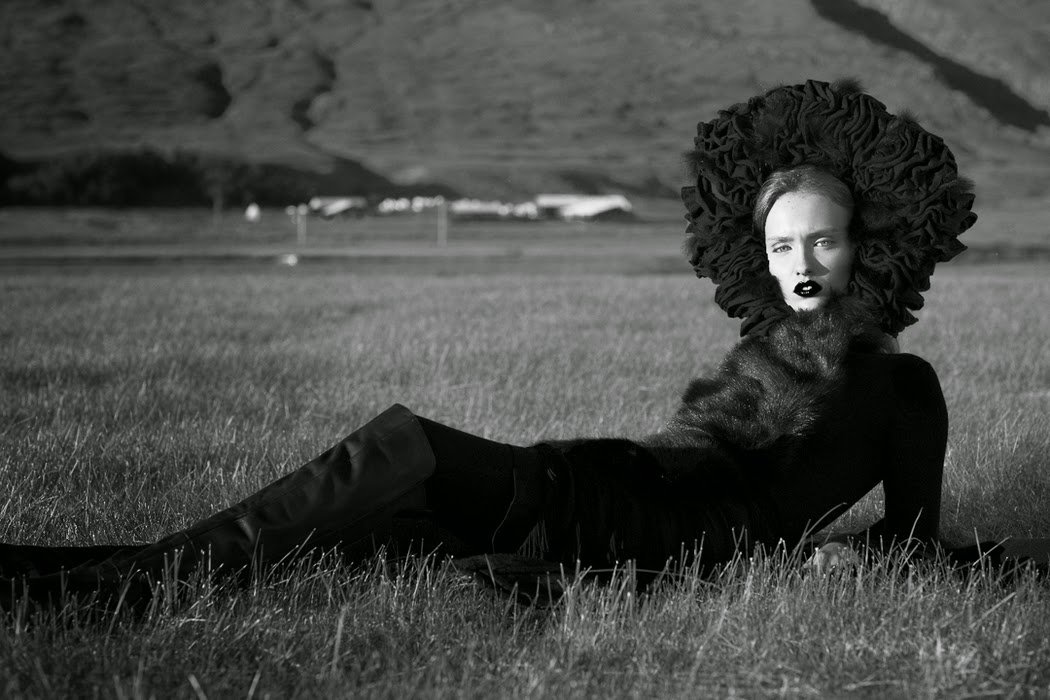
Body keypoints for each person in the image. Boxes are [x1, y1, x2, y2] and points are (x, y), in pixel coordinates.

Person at [0, 79, 1041, 611]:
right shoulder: (765, 352)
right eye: (781, 242)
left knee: (400, 448)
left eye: (822, 236)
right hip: (615, 494)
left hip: (651, 533)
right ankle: (62, 576)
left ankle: (113, 589)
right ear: (757, 256)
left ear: (869, 245)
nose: (800, 256)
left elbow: (915, 545)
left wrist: (817, 559)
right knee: (364, 527)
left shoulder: (903, 386)